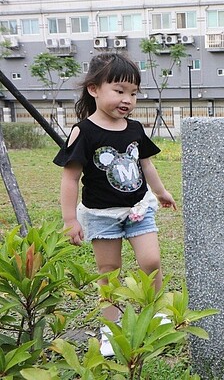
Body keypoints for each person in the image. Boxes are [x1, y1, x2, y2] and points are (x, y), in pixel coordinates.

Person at [53, 52, 177, 357]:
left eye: (133, 93)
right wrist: (70, 220)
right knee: (108, 271)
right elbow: (70, 179)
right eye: (119, 91)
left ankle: (156, 311)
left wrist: (160, 192)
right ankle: (111, 328)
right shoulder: (83, 131)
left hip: (138, 209)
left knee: (151, 261)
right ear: (94, 89)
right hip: (101, 215)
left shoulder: (134, 129)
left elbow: (145, 165)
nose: (127, 100)